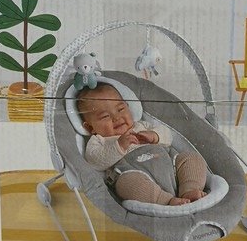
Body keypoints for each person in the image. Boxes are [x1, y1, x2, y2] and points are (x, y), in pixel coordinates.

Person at [77, 83, 208, 207]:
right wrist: (119, 146)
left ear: (128, 107)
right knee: (127, 184)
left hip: (170, 166)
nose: (116, 118)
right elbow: (95, 160)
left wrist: (154, 136)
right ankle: (166, 201)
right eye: (105, 116)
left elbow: (168, 136)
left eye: (120, 109)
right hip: (135, 174)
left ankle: (189, 189)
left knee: (191, 158)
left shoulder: (141, 126)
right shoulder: (99, 140)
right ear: (90, 127)